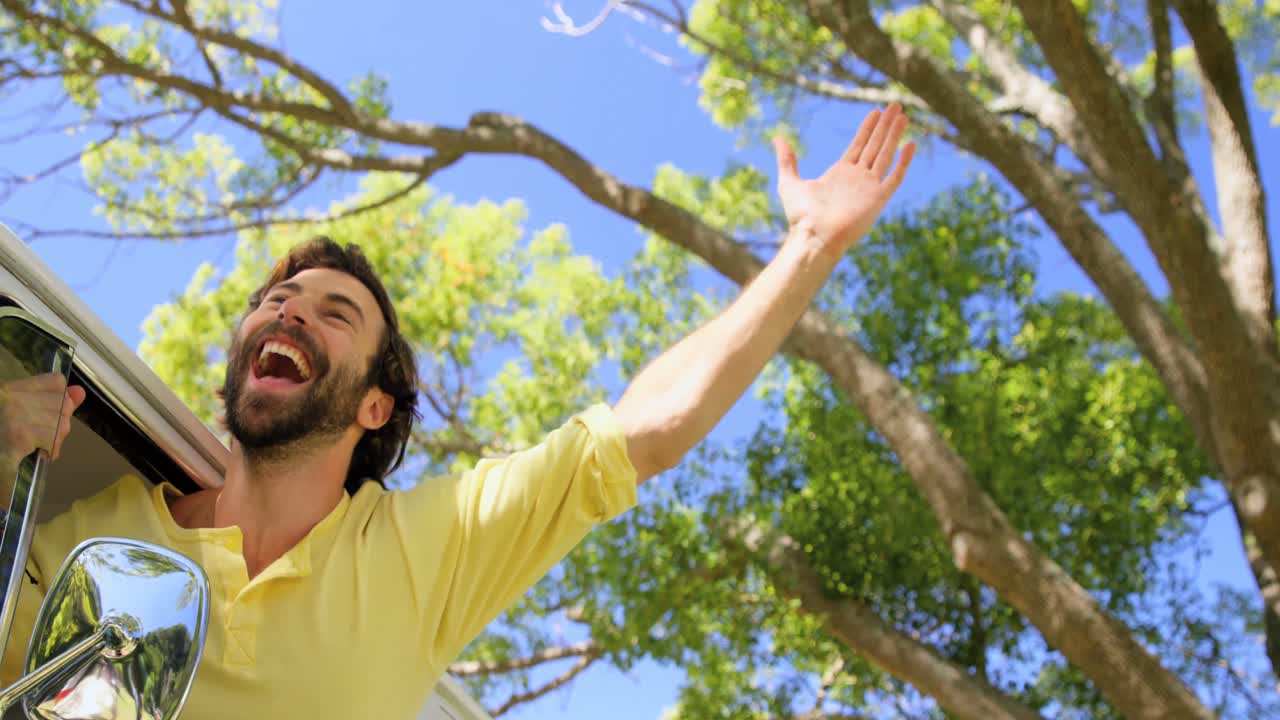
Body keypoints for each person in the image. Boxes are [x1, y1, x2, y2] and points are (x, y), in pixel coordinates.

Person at [0, 105, 914, 717]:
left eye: (332, 311)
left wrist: (810, 244)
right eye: (275, 304)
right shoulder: (87, 533)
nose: (288, 313)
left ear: (372, 405)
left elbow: (648, 429)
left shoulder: (425, 552)